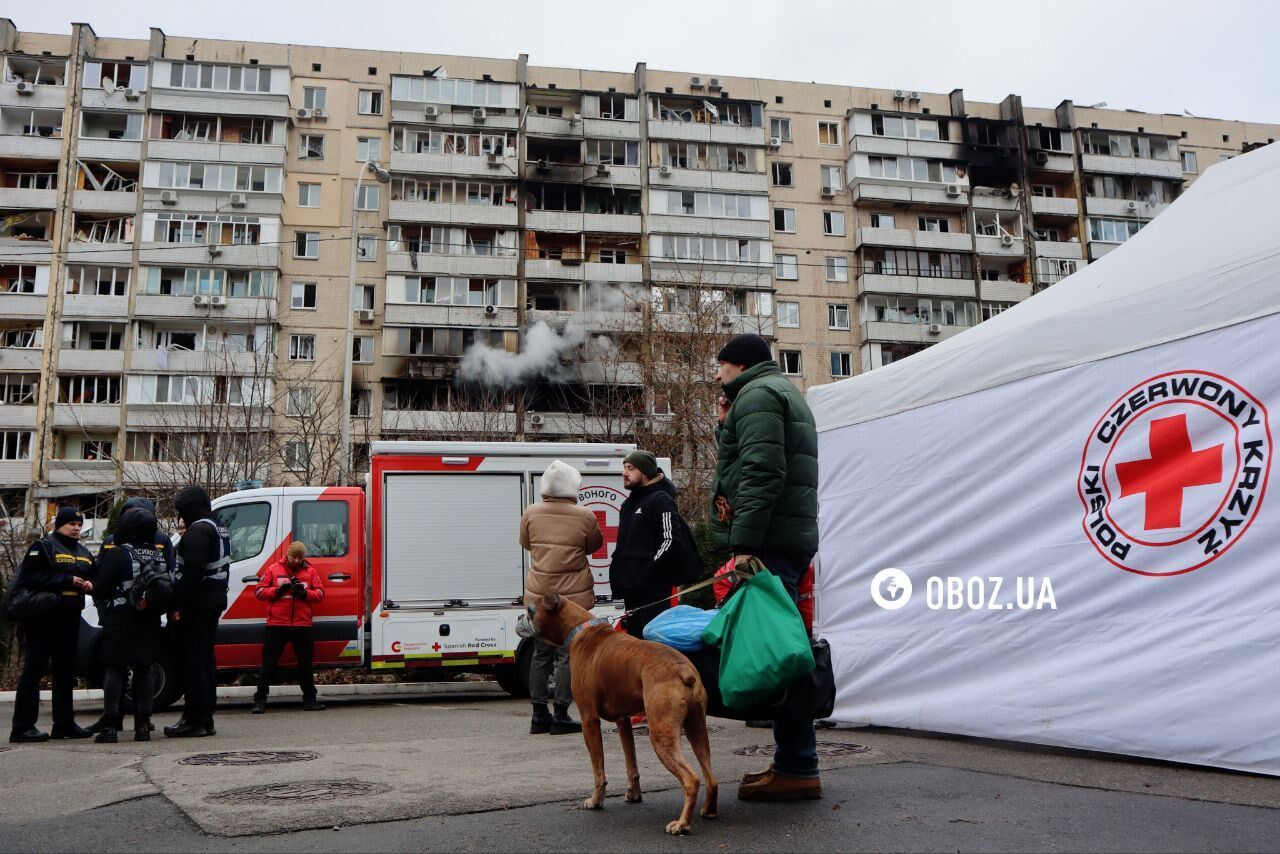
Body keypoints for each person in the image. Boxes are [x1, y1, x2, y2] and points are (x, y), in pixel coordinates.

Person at [710, 333, 821, 801]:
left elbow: (761, 471)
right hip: (782, 539)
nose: (717, 375)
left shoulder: (757, 396)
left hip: (768, 545)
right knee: (782, 649)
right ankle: (792, 761)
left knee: (780, 654)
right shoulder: (776, 393)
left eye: (720, 366)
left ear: (738, 365)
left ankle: (798, 765)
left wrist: (743, 547)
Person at [518, 460, 603, 736]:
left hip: (540, 595)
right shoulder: (585, 516)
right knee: (567, 655)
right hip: (573, 598)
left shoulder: (530, 512)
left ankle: (537, 714)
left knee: (540, 654)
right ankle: (562, 715)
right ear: (572, 486)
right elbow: (594, 545)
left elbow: (526, 543)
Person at [9, 507, 95, 743]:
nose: (76, 528)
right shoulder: (43, 547)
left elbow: (94, 574)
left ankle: (64, 723)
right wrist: (65, 580)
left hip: (70, 617)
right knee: (34, 670)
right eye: (72, 524)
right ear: (60, 525)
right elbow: (30, 578)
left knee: (65, 672)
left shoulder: (83, 551)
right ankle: (23, 727)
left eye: (79, 524)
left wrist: (90, 583)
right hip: (44, 617)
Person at [91, 505, 165, 743]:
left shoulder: (118, 553)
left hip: (121, 617)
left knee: (115, 668)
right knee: (144, 668)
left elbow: (101, 587)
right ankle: (143, 727)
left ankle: (111, 727)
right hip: (149, 617)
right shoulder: (158, 553)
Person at [164, 485, 230, 738]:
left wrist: (176, 605)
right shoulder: (216, 527)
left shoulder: (198, 531)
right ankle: (205, 717)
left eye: (181, 510)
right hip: (211, 600)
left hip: (198, 603)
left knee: (193, 663)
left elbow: (192, 574)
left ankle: (195, 720)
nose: (180, 516)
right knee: (204, 661)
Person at [610, 450, 694, 641]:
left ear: (646, 472)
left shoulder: (661, 499)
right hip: (631, 592)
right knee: (635, 647)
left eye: (630, 468)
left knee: (654, 648)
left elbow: (670, 540)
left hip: (653, 593)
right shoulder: (628, 504)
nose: (624, 473)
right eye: (624, 468)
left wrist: (649, 570)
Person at [252, 541, 326, 714]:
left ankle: (310, 700)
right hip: (277, 624)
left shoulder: (310, 571)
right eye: (294, 557)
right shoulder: (273, 569)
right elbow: (259, 591)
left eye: (300, 558)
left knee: (305, 666)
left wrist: (304, 593)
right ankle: (260, 702)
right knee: (268, 666)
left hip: (302, 625)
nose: (296, 561)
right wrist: (278, 591)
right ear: (288, 554)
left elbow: (320, 594)